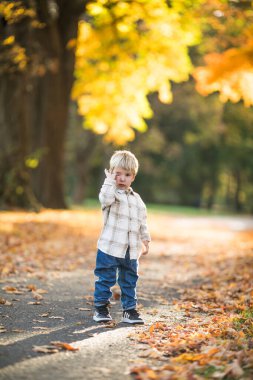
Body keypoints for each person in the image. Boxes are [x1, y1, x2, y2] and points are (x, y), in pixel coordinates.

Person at [93, 150, 151, 324]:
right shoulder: (111, 194)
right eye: (117, 174)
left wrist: (145, 239)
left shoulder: (137, 200)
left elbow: (142, 221)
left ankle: (129, 310)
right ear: (111, 174)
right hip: (109, 248)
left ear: (133, 177)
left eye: (127, 175)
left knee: (129, 281)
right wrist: (109, 181)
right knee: (105, 279)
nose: (122, 178)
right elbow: (104, 198)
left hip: (131, 250)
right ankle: (101, 308)